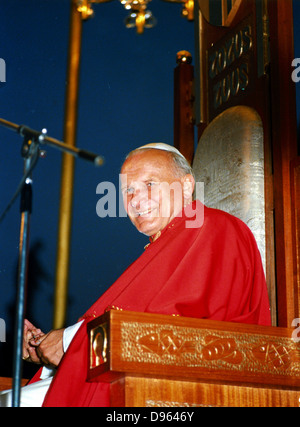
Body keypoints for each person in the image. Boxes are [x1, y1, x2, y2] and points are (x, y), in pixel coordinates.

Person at [0, 143, 271, 407]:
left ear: (187, 186)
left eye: (150, 184)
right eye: (128, 190)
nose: (136, 200)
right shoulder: (167, 242)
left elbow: (170, 324)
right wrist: (50, 348)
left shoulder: (213, 226)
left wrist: (69, 342)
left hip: (186, 387)